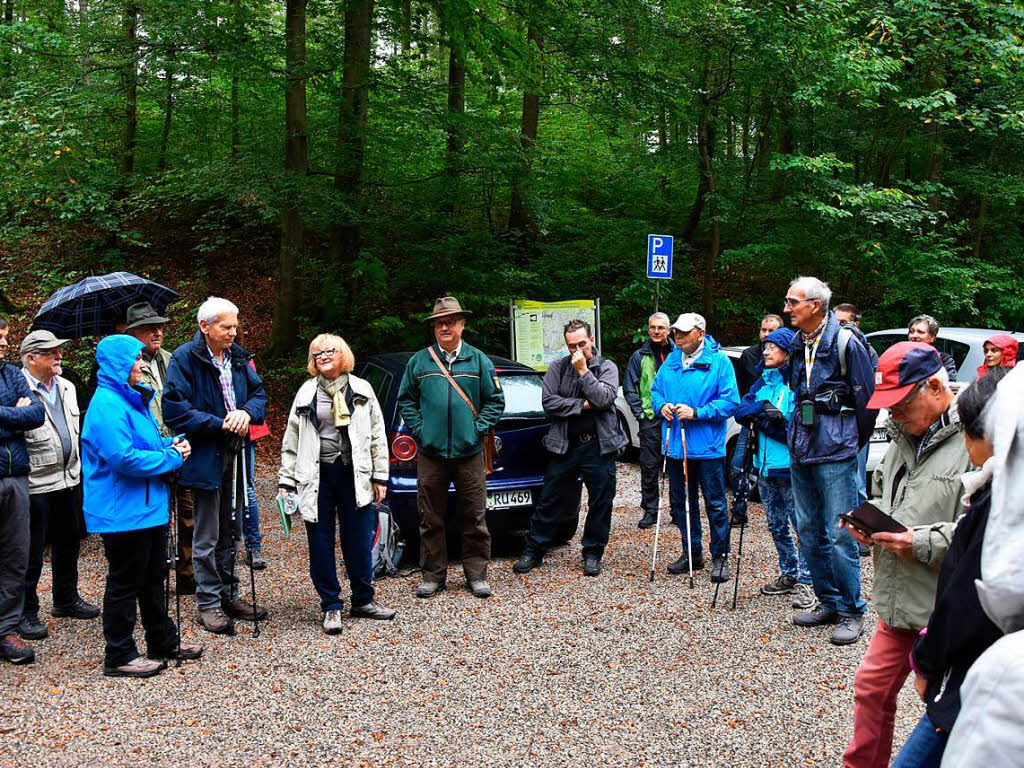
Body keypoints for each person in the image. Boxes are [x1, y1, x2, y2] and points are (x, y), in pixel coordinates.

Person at [841, 342, 970, 768]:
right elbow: (885, 499)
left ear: (934, 387)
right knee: (871, 690)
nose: (891, 415)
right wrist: (872, 530)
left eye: (899, 404)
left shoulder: (978, 439)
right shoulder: (900, 437)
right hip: (898, 601)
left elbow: (985, 535)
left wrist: (918, 541)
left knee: (949, 712)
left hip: (950, 610)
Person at [891, 367, 1009, 767]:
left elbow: (969, 597)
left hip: (980, 676)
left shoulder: (1002, 504)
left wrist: (927, 659)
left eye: (969, 434)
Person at [81, 335, 202, 677]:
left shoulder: (132, 401)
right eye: (136, 359)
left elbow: (143, 444)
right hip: (122, 511)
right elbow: (123, 458)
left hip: (148, 507)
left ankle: (161, 640)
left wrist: (169, 443)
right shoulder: (106, 405)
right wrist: (170, 457)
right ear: (119, 364)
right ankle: (118, 654)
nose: (143, 364)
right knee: (125, 581)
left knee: (153, 577)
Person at [162, 297, 268, 635]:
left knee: (232, 528)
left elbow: (260, 396)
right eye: (226, 327)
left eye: (236, 326)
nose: (234, 332)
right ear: (205, 327)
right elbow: (174, 410)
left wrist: (246, 413)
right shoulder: (184, 359)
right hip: (206, 454)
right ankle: (208, 603)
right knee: (207, 533)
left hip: (236, 453)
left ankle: (229, 594)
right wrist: (220, 423)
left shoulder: (239, 357)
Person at [278, 334, 395, 634]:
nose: (323, 356)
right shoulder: (306, 393)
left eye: (330, 351)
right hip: (316, 475)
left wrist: (380, 476)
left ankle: (363, 599)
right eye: (317, 353)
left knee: (358, 539)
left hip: (354, 473)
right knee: (320, 542)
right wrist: (286, 482)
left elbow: (377, 435)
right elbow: (291, 442)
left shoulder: (362, 389)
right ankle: (331, 605)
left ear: (343, 354)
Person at [784, 276, 876, 646]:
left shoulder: (846, 342)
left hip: (835, 449)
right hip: (801, 446)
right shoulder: (796, 341)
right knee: (807, 529)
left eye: (793, 302)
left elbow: (867, 402)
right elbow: (795, 388)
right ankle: (829, 602)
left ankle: (853, 611)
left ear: (815, 306)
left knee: (841, 534)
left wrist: (852, 443)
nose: (787, 308)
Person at [397, 297, 505, 599]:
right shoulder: (420, 362)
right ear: (434, 327)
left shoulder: (478, 360)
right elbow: (406, 399)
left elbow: (495, 401)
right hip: (431, 455)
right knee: (430, 517)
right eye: (439, 322)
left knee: (474, 516)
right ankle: (432, 575)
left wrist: (476, 430)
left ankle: (476, 575)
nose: (444, 326)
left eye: (451, 321)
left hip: (469, 453)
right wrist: (420, 431)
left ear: (462, 324)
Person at [514, 320, 626, 577]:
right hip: (565, 445)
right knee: (550, 498)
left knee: (600, 502)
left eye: (581, 344)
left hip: (599, 445)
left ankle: (592, 553)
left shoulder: (606, 367)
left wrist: (584, 372)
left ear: (592, 340)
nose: (576, 350)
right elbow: (549, 403)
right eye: (571, 345)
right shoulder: (557, 367)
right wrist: (582, 405)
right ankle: (534, 549)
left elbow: (603, 398)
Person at [19, 331, 97, 644]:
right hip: (36, 481)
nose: (59, 357)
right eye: (51, 353)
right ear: (30, 358)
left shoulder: (66, 386)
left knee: (69, 541)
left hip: (69, 478)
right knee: (31, 551)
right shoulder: (17, 389)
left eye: (59, 352)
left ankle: (66, 598)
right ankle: (26, 610)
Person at [650, 312, 739, 583]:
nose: (678, 336)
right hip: (676, 445)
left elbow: (730, 402)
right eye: (676, 331)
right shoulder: (672, 360)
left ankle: (720, 556)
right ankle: (692, 553)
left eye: (684, 332)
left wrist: (698, 412)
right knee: (681, 504)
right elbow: (655, 391)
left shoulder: (719, 361)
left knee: (715, 503)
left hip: (707, 446)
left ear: (700, 333)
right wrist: (661, 406)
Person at [733, 327, 815, 610]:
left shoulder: (800, 387)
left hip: (792, 469)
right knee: (776, 525)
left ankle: (808, 581)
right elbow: (741, 411)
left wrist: (770, 421)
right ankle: (790, 573)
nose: (765, 351)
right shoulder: (762, 383)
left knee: (801, 526)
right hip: (764, 468)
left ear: (786, 352)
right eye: (765, 346)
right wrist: (762, 411)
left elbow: (802, 431)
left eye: (772, 347)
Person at [122, 301, 197, 595]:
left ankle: (188, 575)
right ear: (133, 333)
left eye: (160, 327)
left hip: (179, 445)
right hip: (151, 451)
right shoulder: (126, 368)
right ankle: (155, 578)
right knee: (156, 517)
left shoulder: (173, 359)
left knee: (189, 515)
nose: (157, 332)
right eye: (149, 328)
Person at [0, 317, 46, 664]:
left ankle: (7, 629)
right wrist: (13, 415)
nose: (4, 343)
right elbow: (21, 414)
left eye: (5, 337)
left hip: (16, 476)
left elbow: (36, 413)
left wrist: (16, 415)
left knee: (16, 555)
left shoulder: (12, 374)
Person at [623, 312, 673, 529]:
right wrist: (640, 413)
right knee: (650, 467)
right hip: (650, 419)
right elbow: (629, 387)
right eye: (653, 327)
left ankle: (678, 510)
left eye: (661, 327)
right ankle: (650, 510)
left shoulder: (677, 353)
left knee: (677, 466)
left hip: (675, 418)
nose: (656, 331)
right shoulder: (639, 356)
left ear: (668, 330)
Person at [731, 314, 784, 495]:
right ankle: (740, 507)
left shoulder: (790, 376)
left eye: (772, 331)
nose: (766, 334)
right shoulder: (749, 355)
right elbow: (744, 393)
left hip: (776, 425)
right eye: (764, 330)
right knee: (738, 464)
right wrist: (757, 407)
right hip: (752, 416)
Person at [907, 315, 958, 381]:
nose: (914, 336)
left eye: (920, 332)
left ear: (932, 337)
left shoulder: (944, 360)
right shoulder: (901, 357)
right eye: (911, 332)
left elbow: (949, 386)